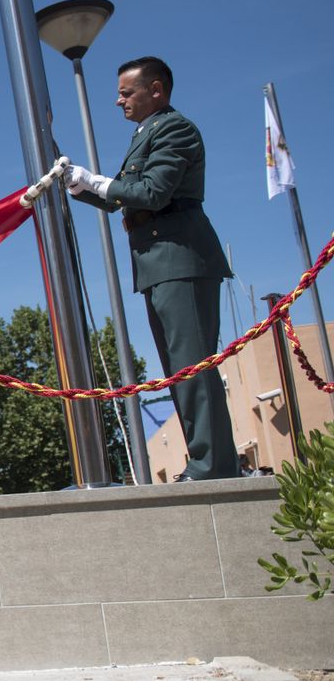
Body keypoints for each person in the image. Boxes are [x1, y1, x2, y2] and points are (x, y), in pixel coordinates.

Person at [67, 56, 238, 481]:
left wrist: (97, 180)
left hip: (180, 256)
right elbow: (122, 196)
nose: (118, 100)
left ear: (156, 90)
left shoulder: (174, 128)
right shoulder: (147, 134)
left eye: (127, 92)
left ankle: (212, 466)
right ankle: (207, 462)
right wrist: (78, 184)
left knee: (192, 367)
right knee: (180, 370)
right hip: (158, 262)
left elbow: (152, 191)